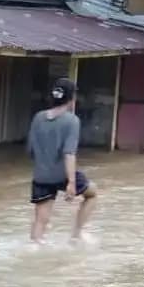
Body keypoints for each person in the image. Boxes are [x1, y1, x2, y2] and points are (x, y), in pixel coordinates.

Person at [28, 78, 98, 244]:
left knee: (40, 221)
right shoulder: (72, 121)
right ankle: (77, 234)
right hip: (63, 175)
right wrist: (71, 183)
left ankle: (35, 247)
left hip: (41, 175)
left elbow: (30, 150)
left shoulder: (38, 117)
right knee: (92, 194)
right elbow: (69, 153)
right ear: (72, 98)